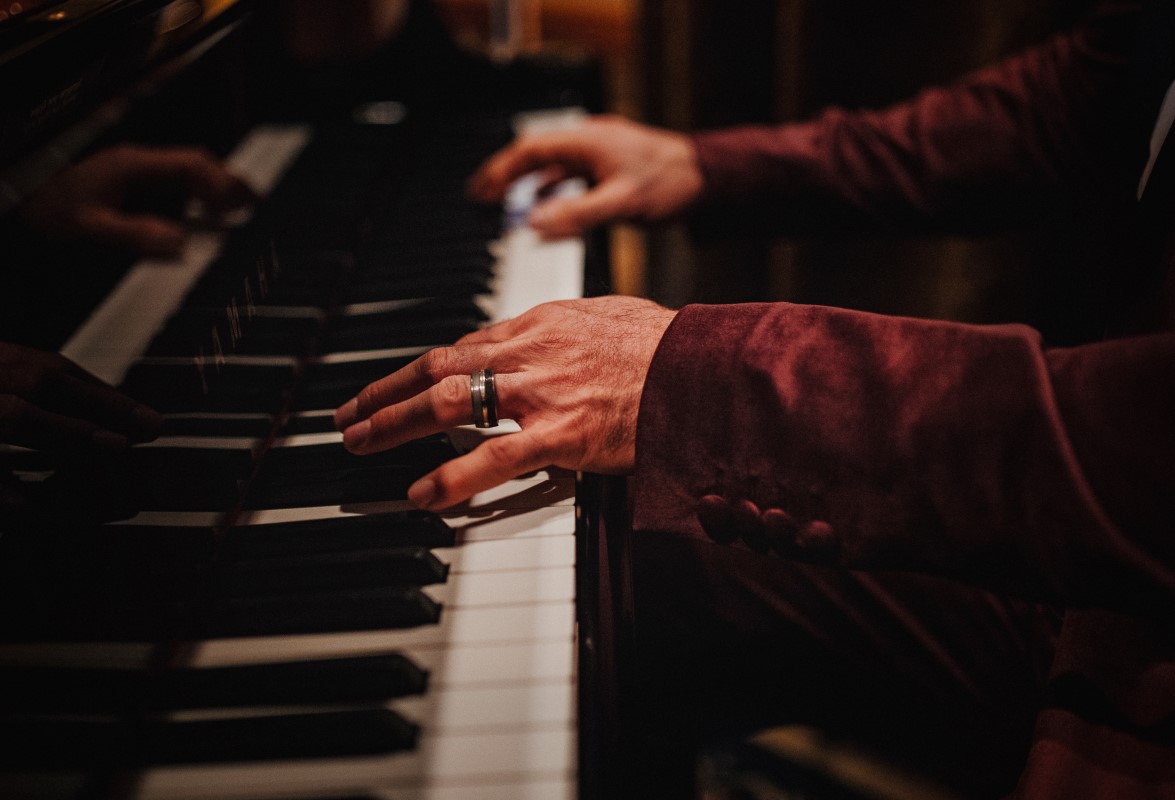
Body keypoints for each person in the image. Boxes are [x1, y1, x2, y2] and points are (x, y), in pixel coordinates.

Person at [334, 1, 1174, 797]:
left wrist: (688, 379)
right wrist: (703, 166)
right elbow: (1083, 100)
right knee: (606, 547)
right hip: (1103, 559)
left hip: (1133, 616)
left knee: (602, 577)